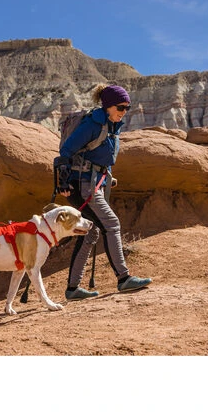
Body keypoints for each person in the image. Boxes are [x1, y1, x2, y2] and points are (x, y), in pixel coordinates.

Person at [56, 83, 152, 300]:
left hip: (93, 183)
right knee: (111, 224)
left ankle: (73, 289)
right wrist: (63, 182)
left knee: (91, 231)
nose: (124, 111)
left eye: (127, 107)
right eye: (121, 107)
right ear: (108, 105)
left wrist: (107, 177)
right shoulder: (93, 124)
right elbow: (66, 151)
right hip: (82, 186)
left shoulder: (111, 126)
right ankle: (123, 278)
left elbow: (101, 158)